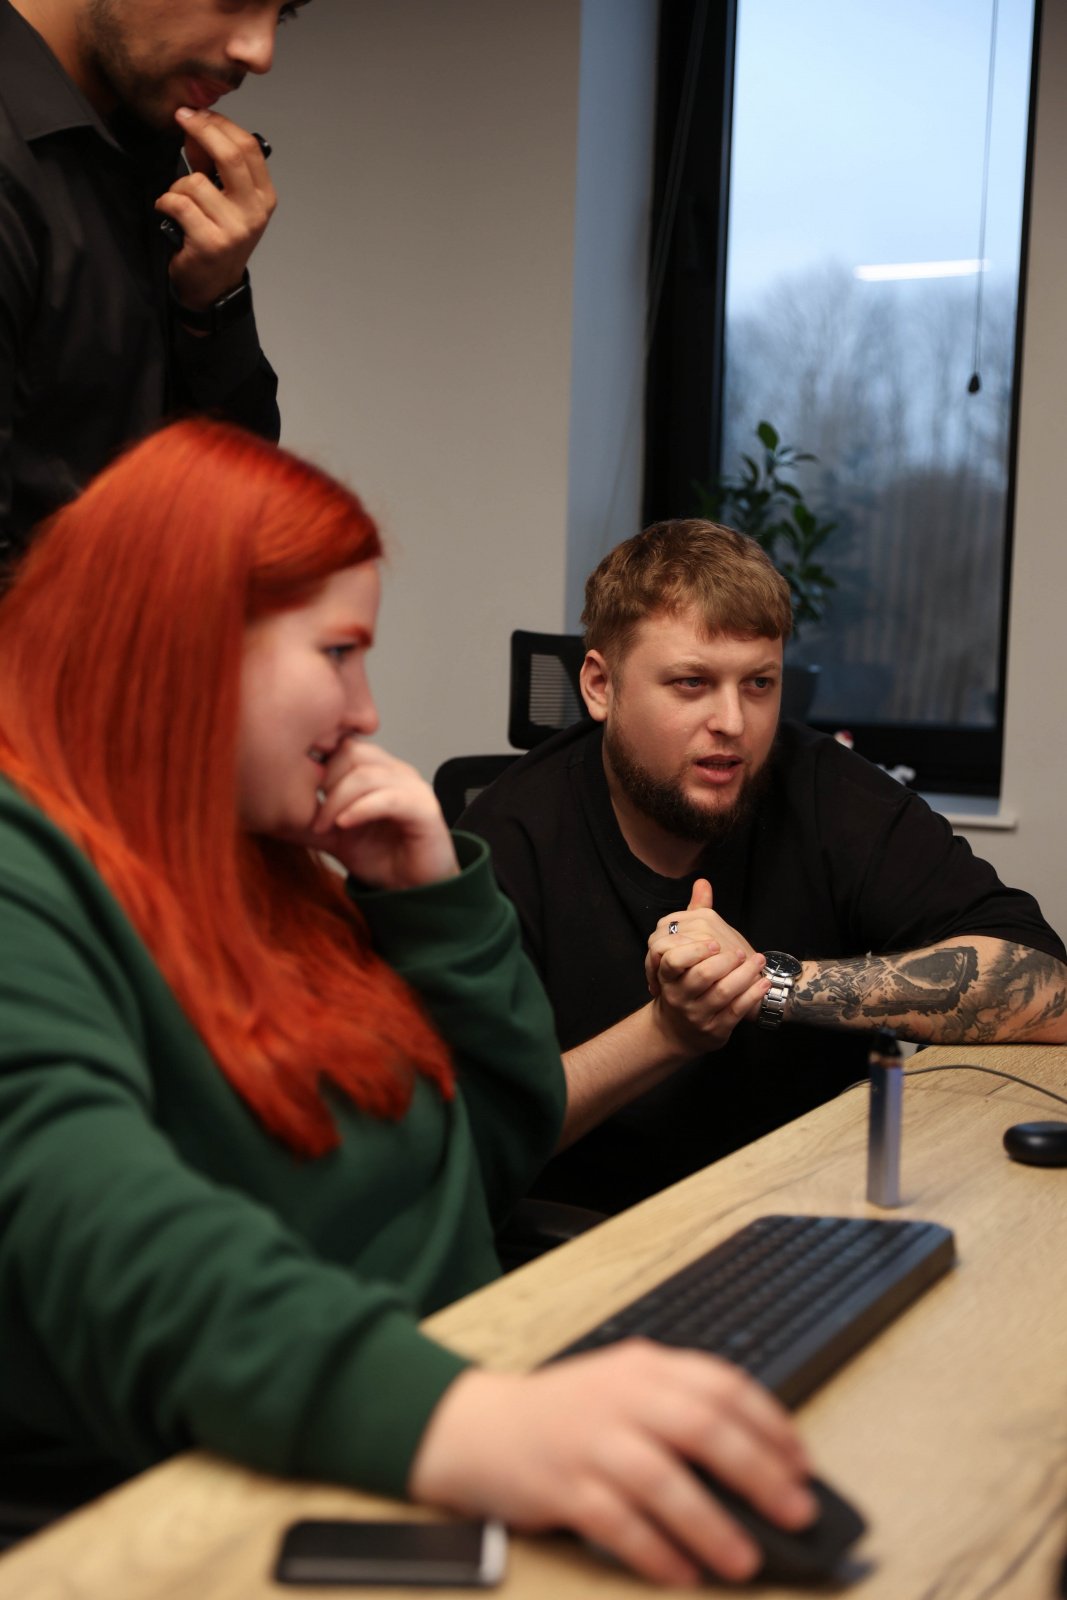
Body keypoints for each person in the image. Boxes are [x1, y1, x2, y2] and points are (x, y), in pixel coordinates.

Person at [0, 427, 826, 1588]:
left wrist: (434, 901)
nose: (364, 709)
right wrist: (467, 1421)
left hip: (444, 1401)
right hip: (246, 1490)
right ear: (183, 644)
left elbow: (483, 1157)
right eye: (338, 653)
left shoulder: (268, 860)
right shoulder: (26, 872)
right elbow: (96, 1230)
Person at [460, 520, 1067, 1214]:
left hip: (818, 1207)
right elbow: (466, 1139)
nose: (733, 721)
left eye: (758, 683)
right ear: (600, 686)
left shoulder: (824, 790)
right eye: (691, 682)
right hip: (601, 1234)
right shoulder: (503, 842)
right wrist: (671, 1030)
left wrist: (770, 983)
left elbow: (1047, 986)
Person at [0, 0, 297, 561]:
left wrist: (213, 301)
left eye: (283, 15)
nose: (261, 54)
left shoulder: (144, 145)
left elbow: (234, 514)